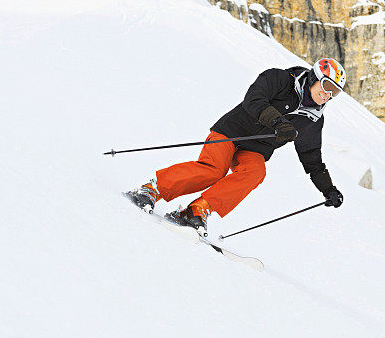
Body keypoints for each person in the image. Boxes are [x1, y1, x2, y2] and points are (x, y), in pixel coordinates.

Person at [127, 57, 346, 233]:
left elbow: (311, 157)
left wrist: (328, 189)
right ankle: (152, 189)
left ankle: (196, 211)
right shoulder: (280, 78)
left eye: (334, 92)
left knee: (256, 172)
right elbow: (254, 99)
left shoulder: (312, 120)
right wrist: (277, 121)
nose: (327, 94)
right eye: (326, 85)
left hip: (255, 148)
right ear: (313, 77)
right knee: (214, 169)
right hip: (232, 131)